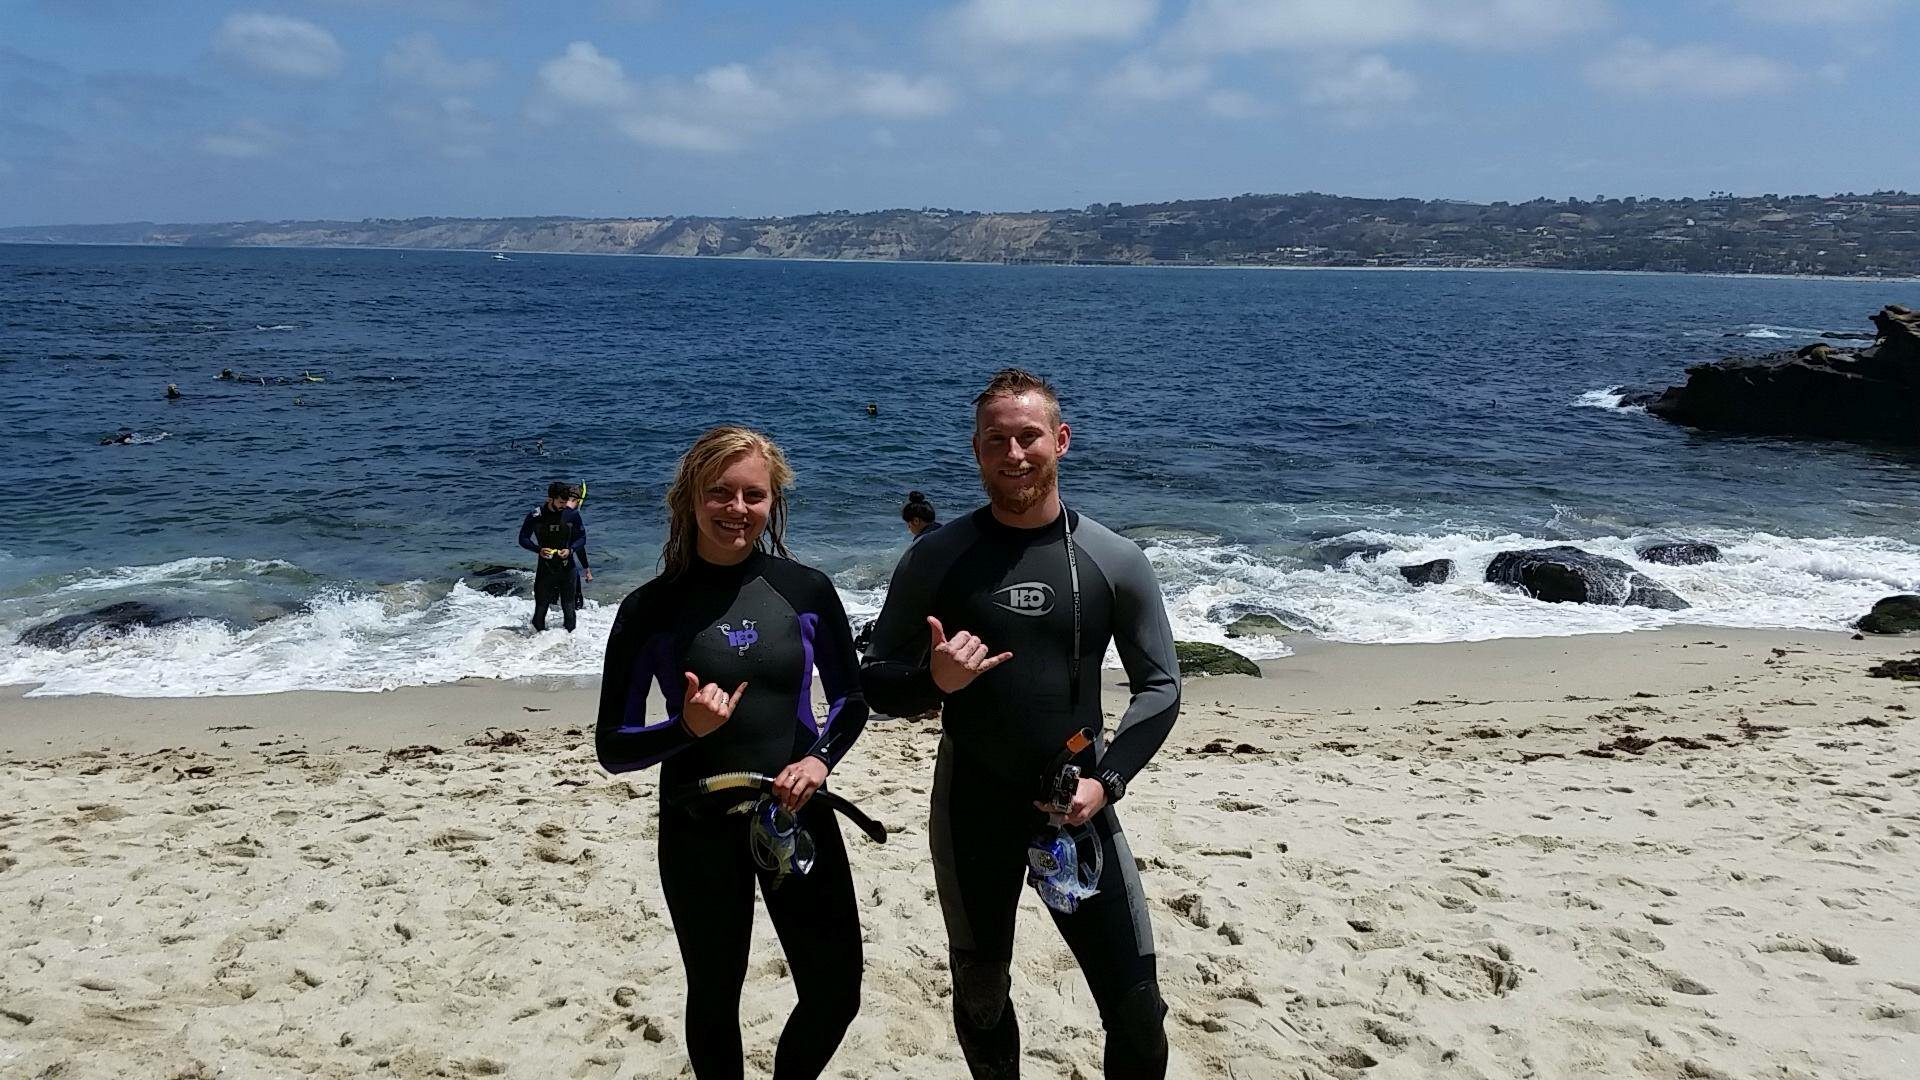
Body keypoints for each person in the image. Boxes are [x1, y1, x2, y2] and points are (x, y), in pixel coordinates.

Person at [861, 369, 1180, 1080]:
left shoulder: (1114, 560)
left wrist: (1108, 782)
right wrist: (932, 683)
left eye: (1029, 437)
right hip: (973, 800)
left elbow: (1160, 687)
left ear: (1060, 441)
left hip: (1079, 800)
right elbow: (874, 681)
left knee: (1137, 1012)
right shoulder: (936, 559)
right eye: (997, 441)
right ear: (976, 451)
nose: (1014, 454)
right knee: (981, 994)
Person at [596, 426, 868, 1080]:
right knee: (715, 996)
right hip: (697, 824)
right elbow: (612, 747)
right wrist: (685, 729)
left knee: (837, 991)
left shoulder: (804, 590)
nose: (736, 510)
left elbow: (851, 700)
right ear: (690, 498)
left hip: (795, 812)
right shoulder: (649, 610)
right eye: (720, 493)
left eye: (753, 495)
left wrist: (818, 762)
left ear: (773, 503)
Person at [519, 482, 589, 632]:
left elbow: (582, 538)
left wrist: (570, 550)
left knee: (569, 609)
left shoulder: (572, 515)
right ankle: (535, 646)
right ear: (550, 499)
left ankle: (571, 646)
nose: (564, 505)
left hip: (567, 568)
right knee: (541, 608)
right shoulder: (536, 515)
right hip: (546, 568)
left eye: (566, 502)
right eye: (561, 502)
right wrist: (538, 550)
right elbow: (523, 538)